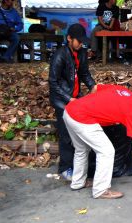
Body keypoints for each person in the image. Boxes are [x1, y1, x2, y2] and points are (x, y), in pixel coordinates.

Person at [63, 85, 132, 199]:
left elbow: (96, 87)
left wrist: (90, 105)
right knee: (107, 151)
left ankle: (78, 183)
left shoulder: (124, 91)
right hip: (82, 118)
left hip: (70, 111)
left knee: (81, 149)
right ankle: (100, 190)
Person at [49, 23, 97, 181]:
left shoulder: (82, 53)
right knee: (65, 135)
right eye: (78, 41)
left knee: (79, 134)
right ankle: (64, 168)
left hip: (76, 99)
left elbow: (84, 73)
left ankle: (79, 167)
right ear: (69, 38)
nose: (81, 43)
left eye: (83, 41)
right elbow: (53, 83)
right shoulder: (59, 55)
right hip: (62, 101)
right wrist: (69, 99)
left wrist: (93, 86)